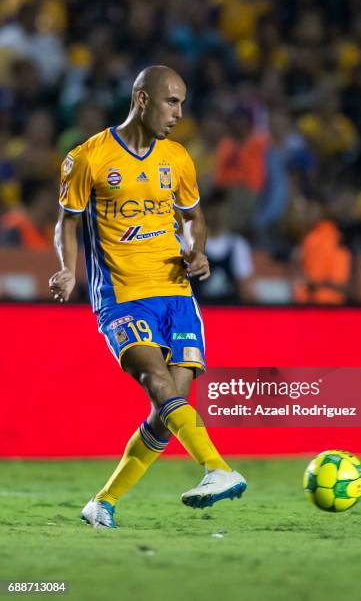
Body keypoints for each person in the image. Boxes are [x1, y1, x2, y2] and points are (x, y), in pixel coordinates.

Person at [49, 65, 246, 529]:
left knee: (168, 407)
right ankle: (217, 467)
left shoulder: (177, 158)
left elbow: (194, 215)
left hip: (177, 294)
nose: (179, 113)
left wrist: (197, 250)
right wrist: (65, 268)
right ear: (141, 100)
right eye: (171, 102)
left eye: (182, 103)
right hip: (121, 296)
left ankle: (102, 503)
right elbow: (68, 221)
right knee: (156, 380)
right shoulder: (88, 158)